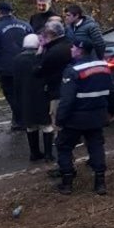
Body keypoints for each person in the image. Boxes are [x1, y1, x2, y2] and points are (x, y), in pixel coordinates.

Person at [55, 38, 114, 196]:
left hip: (76, 118)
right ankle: (100, 182)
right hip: (97, 116)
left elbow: (67, 100)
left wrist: (60, 119)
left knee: (64, 146)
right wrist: (113, 111)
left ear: (80, 50)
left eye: (73, 47)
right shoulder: (103, 66)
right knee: (96, 146)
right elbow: (112, 90)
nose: (71, 50)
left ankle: (67, 183)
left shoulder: (73, 70)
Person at [0, 1, 33, 131]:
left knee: (10, 93)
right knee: (24, 92)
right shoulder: (26, 25)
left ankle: (21, 119)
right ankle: (22, 117)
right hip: (26, 65)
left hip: (7, 67)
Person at [35, 22, 73, 161]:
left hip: (57, 92)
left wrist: (39, 54)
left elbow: (38, 71)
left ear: (50, 35)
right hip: (71, 90)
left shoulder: (52, 52)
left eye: (44, 36)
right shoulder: (70, 44)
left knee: (59, 128)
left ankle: (65, 166)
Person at [13, 34, 46, 161]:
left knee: (30, 125)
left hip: (25, 96)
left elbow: (16, 81)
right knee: (46, 125)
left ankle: (34, 152)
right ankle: (48, 153)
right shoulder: (39, 57)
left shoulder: (17, 59)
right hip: (41, 94)